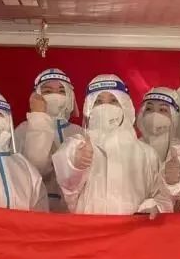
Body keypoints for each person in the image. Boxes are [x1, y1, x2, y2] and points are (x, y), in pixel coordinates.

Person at [52, 74, 170, 215]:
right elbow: (67, 186)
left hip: (132, 228)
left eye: (113, 101)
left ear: (125, 106)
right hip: (89, 227)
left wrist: (155, 205)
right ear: (88, 108)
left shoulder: (146, 153)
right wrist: (75, 164)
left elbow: (161, 194)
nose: (105, 106)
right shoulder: (78, 145)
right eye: (98, 102)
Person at [15, 68, 83, 212]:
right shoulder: (23, 130)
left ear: (70, 96)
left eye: (61, 91)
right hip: (33, 209)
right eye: (47, 91)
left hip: (72, 213)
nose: (55, 96)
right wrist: (38, 119)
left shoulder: (78, 132)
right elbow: (31, 169)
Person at [136, 87, 180, 162]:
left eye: (162, 110)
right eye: (149, 108)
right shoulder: (133, 148)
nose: (154, 114)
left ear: (173, 116)